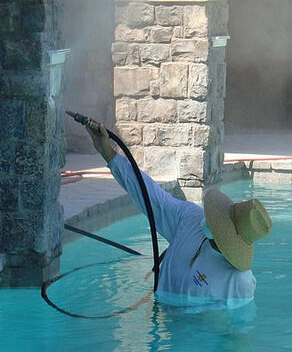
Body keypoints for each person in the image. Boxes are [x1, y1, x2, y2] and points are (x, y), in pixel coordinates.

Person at [86, 121, 272, 312]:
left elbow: (238, 333)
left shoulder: (240, 282)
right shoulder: (192, 219)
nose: (212, 221)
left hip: (197, 336)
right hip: (162, 324)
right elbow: (150, 196)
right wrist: (109, 154)